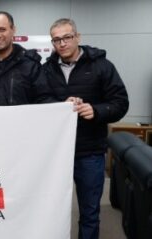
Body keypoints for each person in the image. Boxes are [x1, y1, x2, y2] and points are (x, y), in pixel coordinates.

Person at [42, 18, 129, 239]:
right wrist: (58, 105)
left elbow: (120, 102)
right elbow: (38, 100)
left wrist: (97, 111)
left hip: (89, 153)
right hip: (55, 154)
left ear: (77, 37)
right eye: (56, 40)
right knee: (49, 210)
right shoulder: (46, 70)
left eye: (67, 37)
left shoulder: (102, 66)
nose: (62, 44)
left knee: (90, 212)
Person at [0, 11, 52, 105]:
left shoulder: (31, 65)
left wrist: (66, 106)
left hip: (23, 120)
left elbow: (45, 99)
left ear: (13, 30)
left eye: (2, 29)